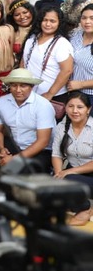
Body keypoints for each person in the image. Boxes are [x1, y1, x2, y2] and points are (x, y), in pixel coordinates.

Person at [0, 68, 56, 171]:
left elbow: (43, 141)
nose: (18, 90)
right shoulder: (3, 101)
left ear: (31, 87)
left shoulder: (43, 105)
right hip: (14, 145)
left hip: (40, 151)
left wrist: (15, 159)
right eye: (14, 85)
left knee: (18, 171)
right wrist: (2, 148)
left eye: (23, 86)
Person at [51, 92, 93, 226]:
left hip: (87, 175)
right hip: (74, 175)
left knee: (68, 181)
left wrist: (68, 172)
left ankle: (85, 209)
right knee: (50, 182)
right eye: (71, 106)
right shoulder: (61, 127)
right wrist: (59, 175)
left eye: (80, 107)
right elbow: (57, 154)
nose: (75, 111)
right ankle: (72, 202)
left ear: (88, 109)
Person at [21, 5, 73, 103]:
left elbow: (67, 71)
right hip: (29, 94)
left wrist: (50, 94)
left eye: (52, 21)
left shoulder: (62, 43)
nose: (48, 24)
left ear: (59, 23)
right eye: (45, 20)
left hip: (52, 97)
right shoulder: (31, 39)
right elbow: (23, 62)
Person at [67, 4, 93, 97]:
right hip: (70, 91)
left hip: (89, 95)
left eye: (92, 18)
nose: (87, 22)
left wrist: (81, 84)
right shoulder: (74, 35)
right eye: (84, 18)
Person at [7, 0, 36, 66]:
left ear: (31, 11)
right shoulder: (9, 30)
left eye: (25, 12)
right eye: (17, 15)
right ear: (12, 17)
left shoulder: (40, 30)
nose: (22, 17)